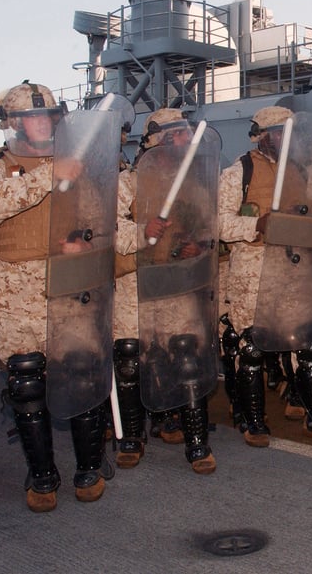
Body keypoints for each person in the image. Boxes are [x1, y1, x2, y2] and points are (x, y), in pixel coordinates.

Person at [0, 81, 125, 512]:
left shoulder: (79, 165)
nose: (42, 123)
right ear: (12, 125)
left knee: (82, 372)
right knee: (25, 382)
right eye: (31, 118)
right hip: (17, 286)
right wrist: (50, 175)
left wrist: (82, 239)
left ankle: (88, 466)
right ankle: (42, 474)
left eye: (48, 116)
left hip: (71, 281)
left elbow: (98, 217)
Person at [218, 106, 312, 446]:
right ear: (261, 136)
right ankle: (253, 421)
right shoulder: (238, 173)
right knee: (252, 349)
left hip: (295, 272)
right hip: (253, 275)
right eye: (278, 133)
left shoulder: (306, 173)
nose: (286, 140)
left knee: (305, 345)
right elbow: (218, 225)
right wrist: (254, 225)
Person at [133, 108, 220, 474]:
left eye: (187, 133)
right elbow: (106, 229)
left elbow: (208, 228)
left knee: (187, 355)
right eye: (179, 134)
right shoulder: (129, 182)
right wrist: (142, 231)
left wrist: (198, 246)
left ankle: (197, 443)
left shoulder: (194, 185)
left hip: (179, 281)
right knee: (149, 358)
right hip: (140, 282)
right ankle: (158, 421)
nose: (186, 140)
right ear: (159, 138)